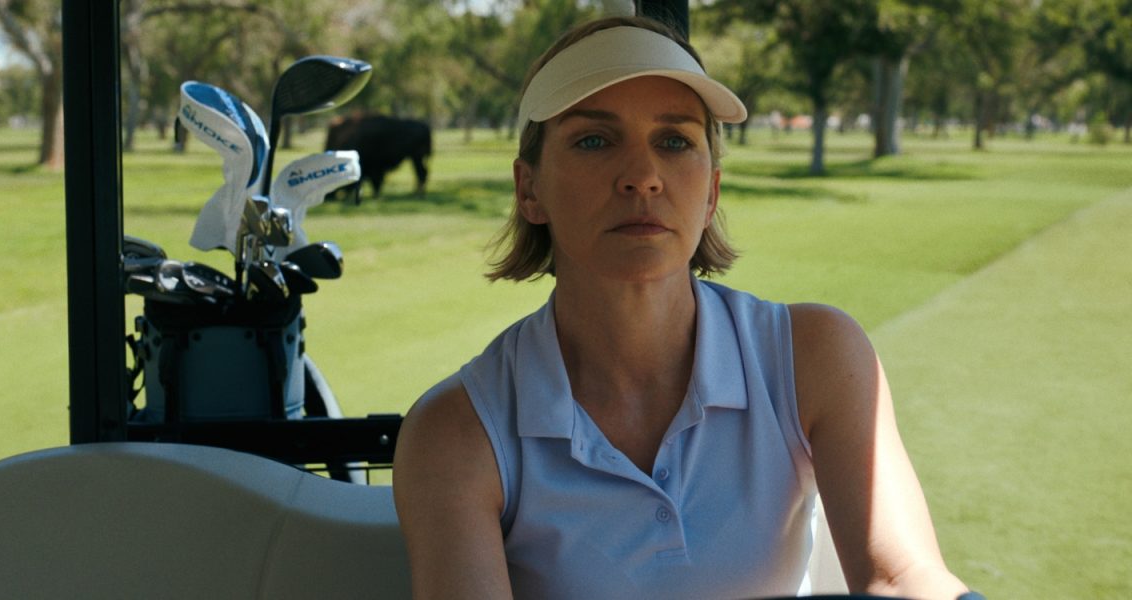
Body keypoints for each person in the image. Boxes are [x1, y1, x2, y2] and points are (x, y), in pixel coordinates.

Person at [393, 15, 972, 600]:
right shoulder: (457, 431)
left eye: (674, 141)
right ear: (529, 189)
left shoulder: (817, 354)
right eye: (594, 140)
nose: (643, 177)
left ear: (711, 191)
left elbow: (900, 576)